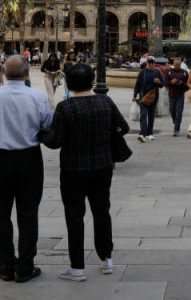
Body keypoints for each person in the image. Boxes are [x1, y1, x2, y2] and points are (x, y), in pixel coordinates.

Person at [40, 63, 128, 282]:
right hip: (102, 166)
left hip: (73, 169)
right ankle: (106, 258)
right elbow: (123, 128)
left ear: (69, 83)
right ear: (92, 81)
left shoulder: (65, 107)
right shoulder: (105, 101)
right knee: (101, 211)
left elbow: (55, 141)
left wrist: (40, 133)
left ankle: (77, 267)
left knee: (74, 217)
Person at [0, 55, 53, 283]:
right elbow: (49, 128)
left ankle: (6, 265)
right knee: (28, 214)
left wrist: (0, 131)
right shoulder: (37, 97)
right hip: (29, 159)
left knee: (0, 213)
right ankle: (25, 267)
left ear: (3, 74)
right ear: (28, 74)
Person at [132, 57, 163, 142]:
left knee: (151, 116)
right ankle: (142, 134)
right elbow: (137, 84)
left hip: (153, 97)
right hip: (143, 97)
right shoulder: (142, 72)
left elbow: (162, 84)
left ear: (155, 63)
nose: (151, 64)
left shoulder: (157, 72)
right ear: (147, 63)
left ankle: (150, 133)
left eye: (152, 62)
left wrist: (158, 82)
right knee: (143, 115)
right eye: (149, 63)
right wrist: (135, 95)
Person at [165, 57, 189, 136]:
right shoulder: (169, 72)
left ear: (180, 65)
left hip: (180, 95)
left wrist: (181, 83)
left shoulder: (184, 73)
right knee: (172, 111)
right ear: (173, 64)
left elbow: (188, 85)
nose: (177, 66)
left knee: (179, 112)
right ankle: (175, 122)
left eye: (178, 65)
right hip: (171, 95)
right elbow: (165, 83)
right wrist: (171, 82)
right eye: (175, 65)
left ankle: (176, 128)